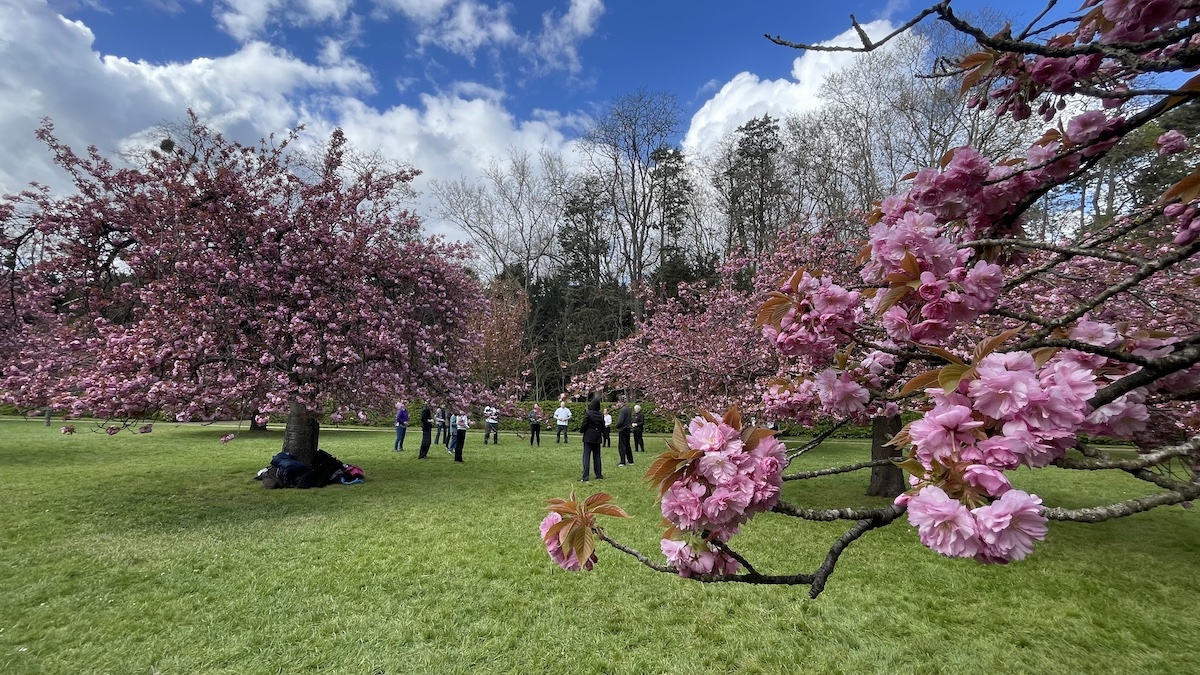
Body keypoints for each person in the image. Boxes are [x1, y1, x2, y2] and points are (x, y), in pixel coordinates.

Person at [578, 396, 605, 482]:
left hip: (588, 437)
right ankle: (598, 474)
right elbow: (602, 426)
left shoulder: (588, 414)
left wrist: (582, 431)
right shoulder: (600, 415)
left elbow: (584, 424)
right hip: (597, 437)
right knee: (597, 456)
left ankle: (585, 476)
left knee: (586, 456)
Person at [615, 399, 633, 466]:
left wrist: (616, 426)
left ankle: (622, 461)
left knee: (621, 445)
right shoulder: (628, 409)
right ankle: (630, 460)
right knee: (627, 444)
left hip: (622, 429)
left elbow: (620, 421)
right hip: (628, 428)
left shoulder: (622, 410)